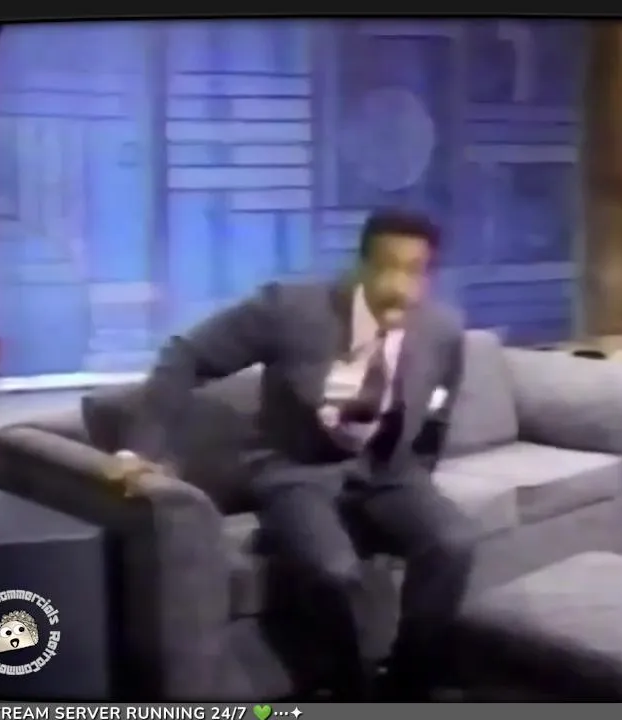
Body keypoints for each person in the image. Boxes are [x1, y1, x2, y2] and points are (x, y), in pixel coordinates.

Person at [106, 209, 476, 699]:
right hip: (297, 472)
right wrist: (140, 449)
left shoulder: (442, 330)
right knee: (334, 571)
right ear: (360, 265)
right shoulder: (289, 308)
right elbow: (185, 354)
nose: (398, 286)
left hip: (389, 472)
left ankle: (409, 683)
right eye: (387, 267)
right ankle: (350, 690)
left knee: (453, 542)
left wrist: (418, 482)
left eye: (414, 270)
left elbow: (436, 414)